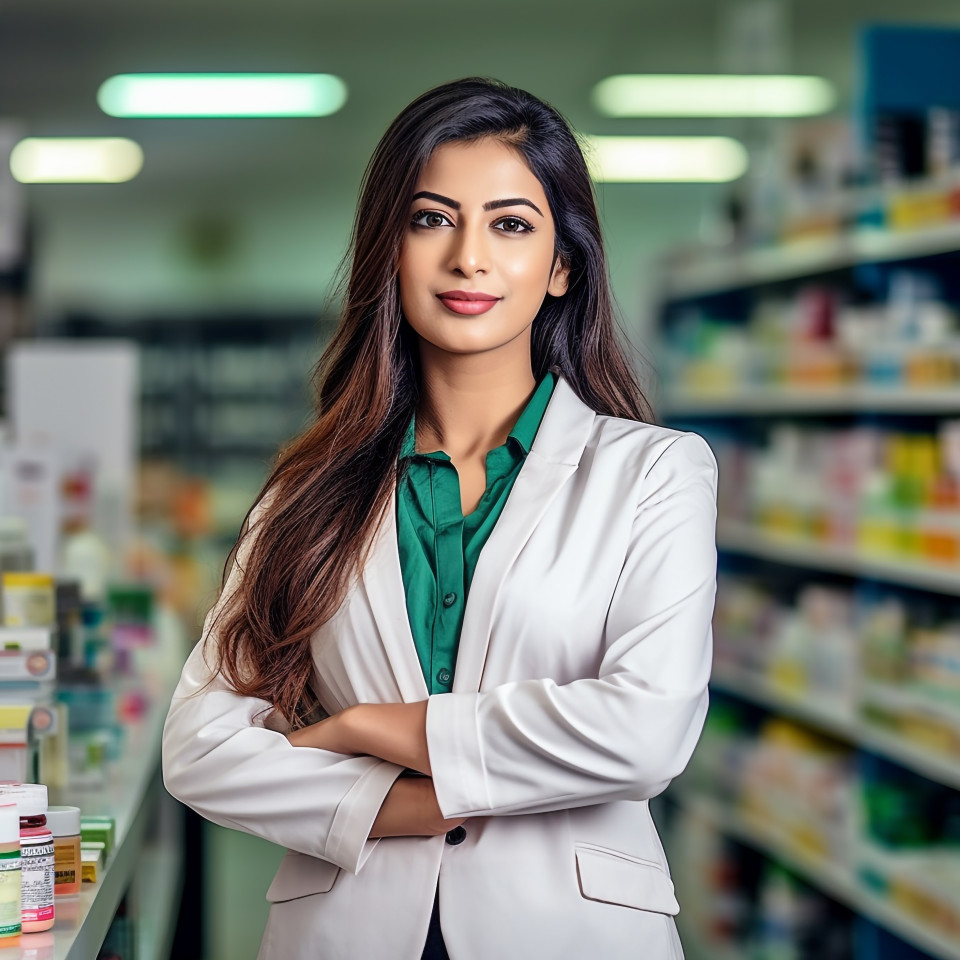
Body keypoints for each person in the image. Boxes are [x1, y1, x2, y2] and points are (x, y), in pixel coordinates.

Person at [161, 76, 719, 960]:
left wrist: (369, 728)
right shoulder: (306, 492)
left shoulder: (653, 473)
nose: (469, 258)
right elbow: (201, 746)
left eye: (511, 225)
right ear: (389, 251)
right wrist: (397, 804)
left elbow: (647, 731)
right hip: (345, 930)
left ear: (563, 266)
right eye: (431, 220)